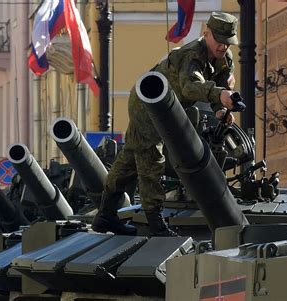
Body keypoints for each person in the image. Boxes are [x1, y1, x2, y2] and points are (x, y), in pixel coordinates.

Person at [92, 12, 239, 237]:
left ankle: (105, 216)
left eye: (227, 42)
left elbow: (220, 81)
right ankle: (155, 223)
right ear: (206, 34)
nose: (223, 47)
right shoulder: (191, 55)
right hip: (147, 103)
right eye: (219, 40)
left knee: (130, 158)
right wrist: (221, 96)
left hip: (167, 106)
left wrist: (221, 110)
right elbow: (191, 87)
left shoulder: (224, 58)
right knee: (151, 158)